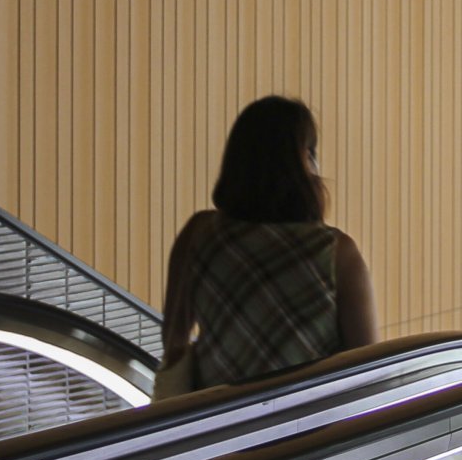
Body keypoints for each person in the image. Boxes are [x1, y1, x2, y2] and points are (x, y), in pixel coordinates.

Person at [157, 96, 379, 394]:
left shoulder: (200, 233)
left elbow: (174, 339)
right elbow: (368, 368)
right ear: (304, 160)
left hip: (217, 427)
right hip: (310, 430)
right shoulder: (337, 252)